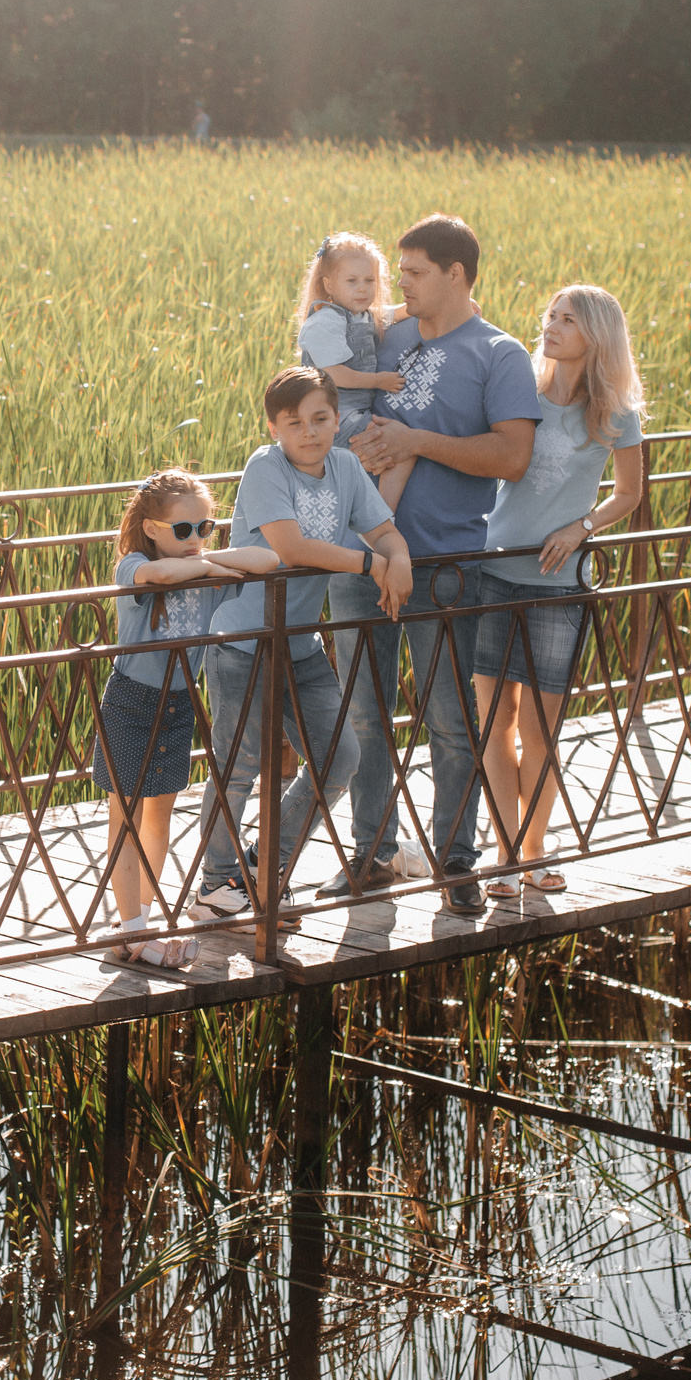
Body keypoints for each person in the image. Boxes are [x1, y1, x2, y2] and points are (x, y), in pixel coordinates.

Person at [327, 214, 540, 913]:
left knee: (451, 720)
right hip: (358, 560)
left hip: (446, 564)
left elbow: (512, 455)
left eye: (415, 273)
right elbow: (333, 401)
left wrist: (416, 440)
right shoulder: (386, 337)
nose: (402, 285)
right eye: (400, 273)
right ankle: (372, 855)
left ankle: (456, 863)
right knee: (364, 717)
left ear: (457, 274)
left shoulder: (499, 354)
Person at [192, 368, 411, 924]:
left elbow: (383, 529)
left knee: (339, 756)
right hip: (243, 639)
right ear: (274, 428)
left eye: (320, 419)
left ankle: (264, 866)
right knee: (239, 765)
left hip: (301, 643)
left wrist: (399, 558)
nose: (309, 432)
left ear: (337, 421)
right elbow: (289, 547)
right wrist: (369, 562)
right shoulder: (265, 467)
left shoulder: (345, 467)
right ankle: (216, 885)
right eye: (294, 423)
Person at [472, 285, 647, 899]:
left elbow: (629, 493)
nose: (551, 325)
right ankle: (504, 852)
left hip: (556, 585)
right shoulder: (519, 394)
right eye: (550, 315)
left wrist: (581, 527)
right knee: (495, 723)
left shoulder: (614, 414)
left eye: (567, 319)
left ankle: (535, 849)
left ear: (595, 335)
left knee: (542, 728)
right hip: (492, 571)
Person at [93, 470, 276, 965]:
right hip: (131, 703)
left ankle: (140, 921)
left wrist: (206, 559)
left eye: (206, 528)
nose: (196, 539)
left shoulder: (205, 569)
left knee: (160, 815)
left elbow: (267, 560)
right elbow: (159, 577)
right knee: (125, 818)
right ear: (151, 529)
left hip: (177, 706)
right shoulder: (133, 564)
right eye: (183, 530)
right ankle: (132, 931)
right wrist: (208, 565)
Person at [295, 232, 407, 452]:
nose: (362, 288)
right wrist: (379, 381)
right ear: (329, 285)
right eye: (352, 281)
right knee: (399, 444)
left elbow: (399, 312)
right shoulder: (326, 321)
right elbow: (335, 374)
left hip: (356, 412)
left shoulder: (363, 315)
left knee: (399, 443)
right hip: (333, 418)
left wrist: (457, 303)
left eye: (369, 280)